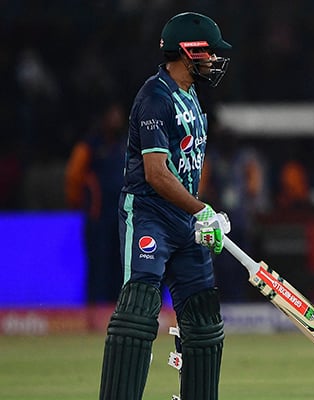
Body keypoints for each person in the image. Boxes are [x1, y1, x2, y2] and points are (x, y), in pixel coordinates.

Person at [99, 12, 233, 400]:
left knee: (204, 320)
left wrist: (198, 215)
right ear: (188, 52)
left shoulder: (190, 94)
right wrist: (202, 211)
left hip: (185, 222)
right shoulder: (154, 98)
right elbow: (157, 175)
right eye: (209, 52)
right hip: (148, 214)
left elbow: (188, 168)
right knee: (139, 311)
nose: (214, 60)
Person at [65, 101, 126, 304]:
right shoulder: (89, 146)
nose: (116, 119)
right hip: (98, 216)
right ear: (103, 118)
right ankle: (91, 316)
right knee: (98, 266)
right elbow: (74, 177)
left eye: (118, 115)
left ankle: (117, 312)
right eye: (112, 115)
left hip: (122, 218)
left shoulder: (125, 145)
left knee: (119, 267)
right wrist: (79, 204)